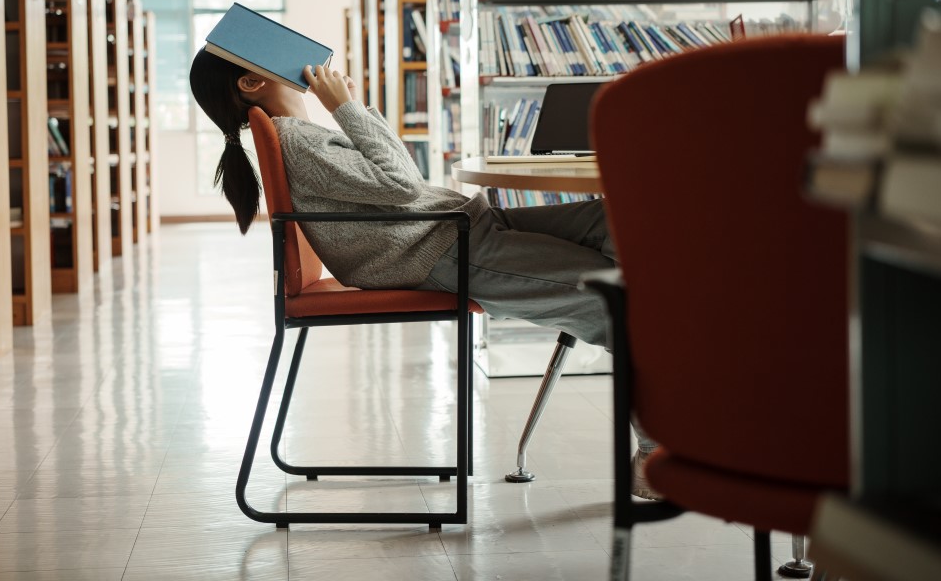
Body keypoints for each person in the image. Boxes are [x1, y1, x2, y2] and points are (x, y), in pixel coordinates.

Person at [188, 47, 659, 498]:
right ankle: (655, 449)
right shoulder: (297, 139)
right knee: (626, 307)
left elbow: (397, 181)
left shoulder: (300, 133)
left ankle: (655, 334)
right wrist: (347, 108)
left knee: (615, 216)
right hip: (441, 249)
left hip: (461, 228)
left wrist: (352, 112)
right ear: (252, 81)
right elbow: (404, 185)